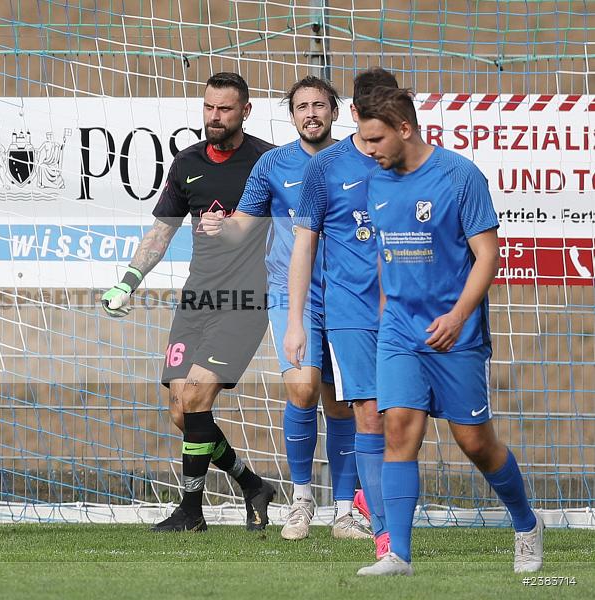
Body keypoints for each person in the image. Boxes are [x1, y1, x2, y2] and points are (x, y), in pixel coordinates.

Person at [353, 85, 543, 576]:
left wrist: (458, 316)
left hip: (455, 333)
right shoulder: (375, 181)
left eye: (375, 139)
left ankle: (526, 523)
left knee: (475, 442)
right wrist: (384, 315)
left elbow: (488, 256)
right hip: (399, 330)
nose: (368, 150)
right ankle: (399, 555)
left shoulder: (459, 177)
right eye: (363, 140)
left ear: (404, 129)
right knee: (398, 428)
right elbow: (385, 253)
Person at [101, 72, 276, 531]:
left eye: (224, 109)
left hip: (245, 301)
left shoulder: (267, 162)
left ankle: (191, 511)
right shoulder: (187, 163)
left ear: (245, 111)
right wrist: (129, 280)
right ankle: (252, 484)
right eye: (208, 108)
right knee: (182, 411)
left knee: (197, 395)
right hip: (196, 299)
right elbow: (162, 231)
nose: (214, 117)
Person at [202, 76, 369, 541]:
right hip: (290, 296)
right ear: (291, 115)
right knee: (301, 389)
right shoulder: (273, 164)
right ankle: (301, 500)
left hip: (350, 297)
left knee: (341, 404)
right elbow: (243, 224)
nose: (311, 113)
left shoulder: (362, 161)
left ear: (335, 112)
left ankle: (345, 510)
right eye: (301, 107)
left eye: (319, 105)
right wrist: (219, 224)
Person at [285, 68, 400, 558]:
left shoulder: (417, 162)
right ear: (352, 112)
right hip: (348, 311)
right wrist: (294, 320)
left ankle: (365, 499)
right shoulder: (327, 166)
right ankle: (381, 528)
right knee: (368, 414)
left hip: (408, 310)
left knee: (407, 420)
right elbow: (303, 245)